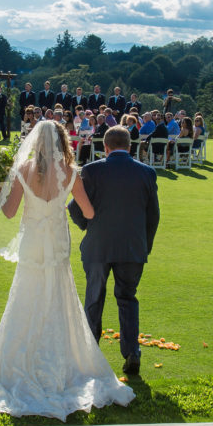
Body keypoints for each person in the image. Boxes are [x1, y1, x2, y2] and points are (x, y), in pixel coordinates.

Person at [0, 121, 134, 420]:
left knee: (28, 294)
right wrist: (61, 202)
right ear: (62, 143)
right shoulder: (71, 173)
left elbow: (9, 212)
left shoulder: (24, 171)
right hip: (56, 241)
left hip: (33, 241)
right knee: (58, 293)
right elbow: (89, 212)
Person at [68, 126, 160, 375]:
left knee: (94, 297)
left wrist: (86, 225)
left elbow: (74, 207)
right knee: (127, 298)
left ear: (105, 148)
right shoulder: (147, 173)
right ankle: (131, 353)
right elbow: (153, 216)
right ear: (130, 147)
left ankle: (90, 352)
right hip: (132, 248)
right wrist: (145, 246)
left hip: (98, 245)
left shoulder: (92, 170)